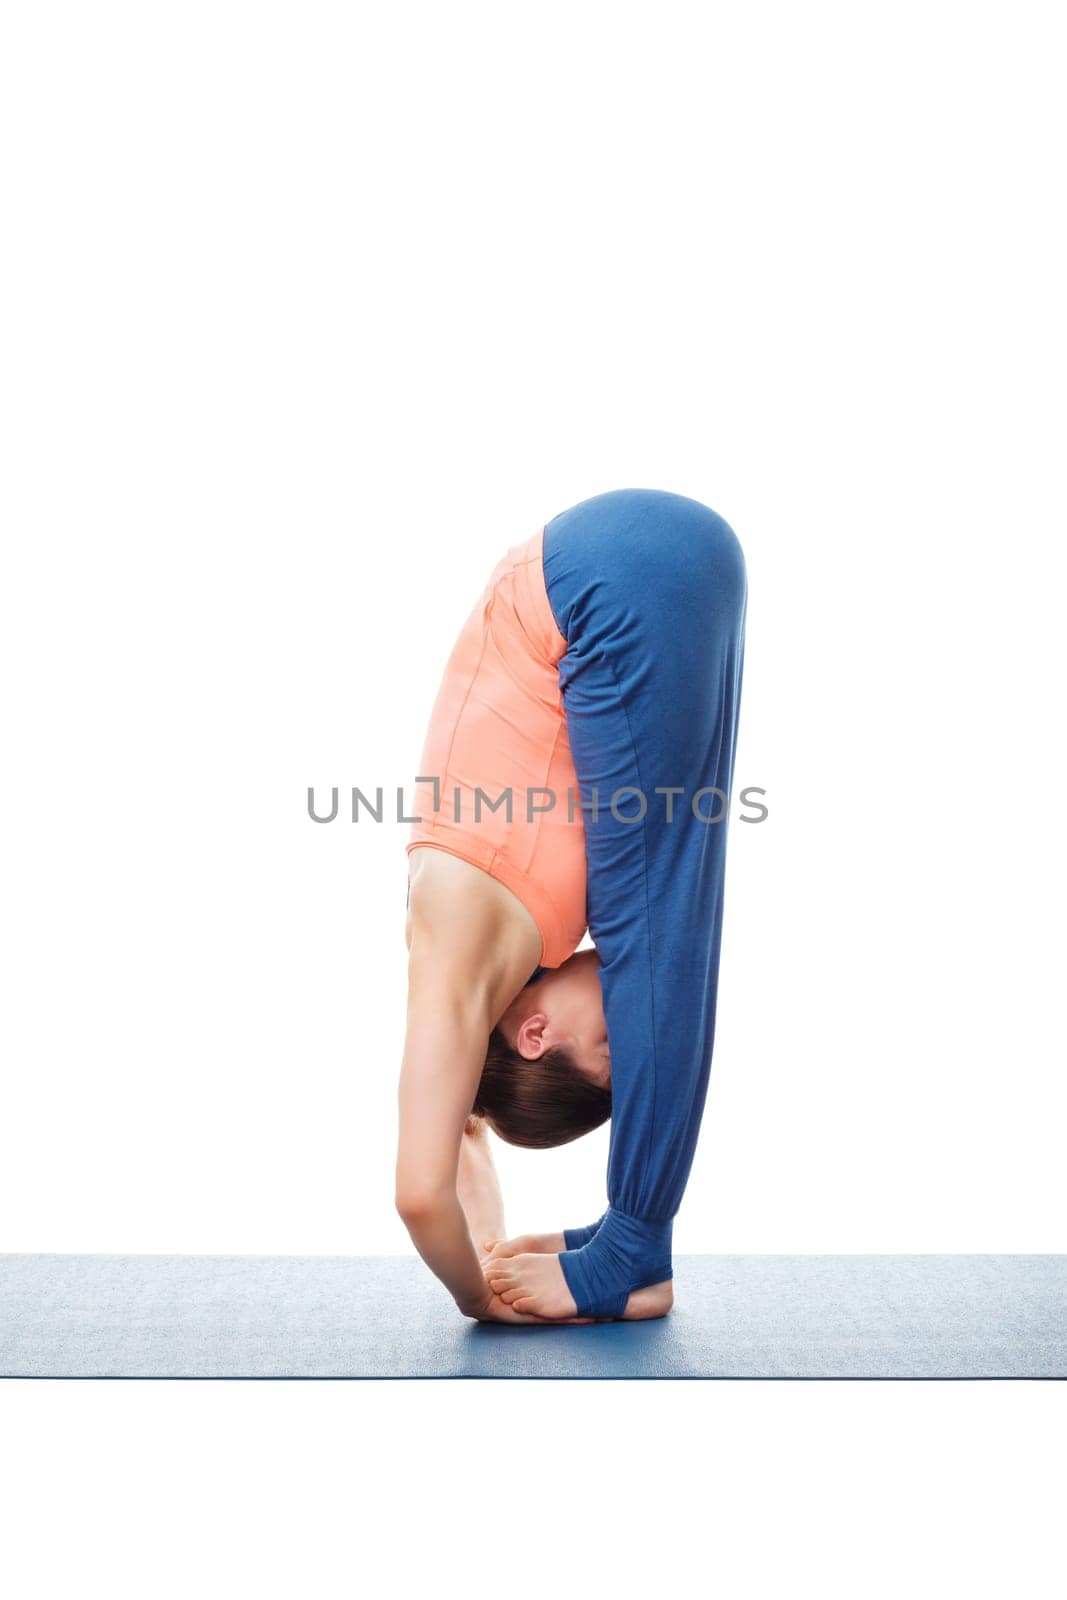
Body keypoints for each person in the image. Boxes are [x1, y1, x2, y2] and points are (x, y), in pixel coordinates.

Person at [396, 487, 747, 1323]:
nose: (627, 1033)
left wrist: (480, 1300)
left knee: (659, 937)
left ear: (536, 1032)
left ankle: (633, 1254)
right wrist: (493, 1248)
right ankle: (627, 1241)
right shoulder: (494, 969)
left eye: (608, 1049)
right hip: (617, 568)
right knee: (665, 901)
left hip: (597, 582)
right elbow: (464, 1132)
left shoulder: (455, 954)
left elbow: (418, 1191)